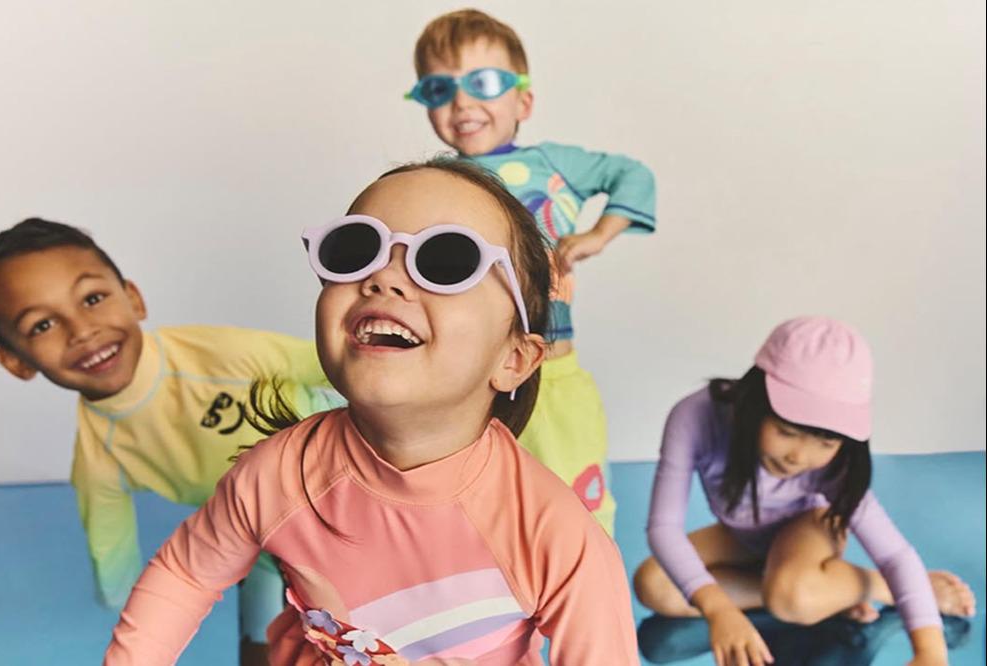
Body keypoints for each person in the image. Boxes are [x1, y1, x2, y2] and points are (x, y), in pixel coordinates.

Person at [103, 159, 640, 665]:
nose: (384, 278)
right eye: (356, 251)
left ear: (513, 359)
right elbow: (186, 575)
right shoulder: (279, 476)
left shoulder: (553, 534)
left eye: (445, 262)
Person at [0, 218, 342, 665]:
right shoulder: (100, 458)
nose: (81, 331)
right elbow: (113, 558)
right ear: (16, 362)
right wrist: (132, 614)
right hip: (261, 534)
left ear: (133, 298)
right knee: (261, 647)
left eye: (92, 299)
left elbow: (333, 366)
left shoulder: (215, 355)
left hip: (344, 482)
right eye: (42, 325)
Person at [404, 9, 658, 535]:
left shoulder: (551, 164)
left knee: (576, 505)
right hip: (464, 379)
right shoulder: (433, 182)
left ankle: (586, 582)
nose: (462, 102)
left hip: (550, 366)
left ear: (523, 101)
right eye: (439, 88)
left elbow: (631, 174)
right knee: (470, 510)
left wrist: (596, 235)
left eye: (484, 83)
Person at [633, 316, 976, 666]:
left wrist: (930, 651)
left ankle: (876, 587)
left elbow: (894, 555)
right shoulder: (696, 415)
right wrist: (720, 610)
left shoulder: (835, 466)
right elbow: (664, 527)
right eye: (786, 432)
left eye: (826, 442)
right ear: (754, 401)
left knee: (792, 594)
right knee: (653, 583)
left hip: (810, 527)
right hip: (743, 534)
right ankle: (823, 594)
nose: (798, 457)